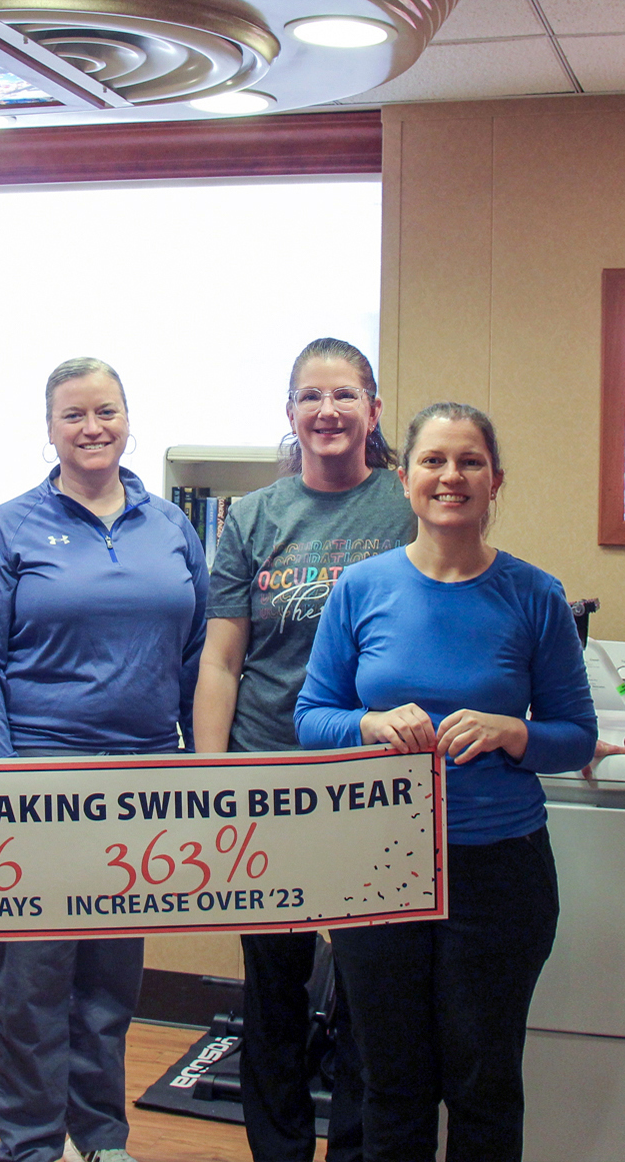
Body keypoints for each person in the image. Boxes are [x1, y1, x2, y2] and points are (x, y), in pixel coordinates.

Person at [294, 403, 604, 1162]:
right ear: (405, 479)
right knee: (390, 1085)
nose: (451, 477)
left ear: (496, 481)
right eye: (433, 461)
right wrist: (365, 726)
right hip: (378, 867)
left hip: (497, 870)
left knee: (483, 1084)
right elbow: (311, 716)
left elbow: (577, 737)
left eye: (469, 462)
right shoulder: (362, 589)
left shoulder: (535, 596)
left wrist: (515, 732)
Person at [0, 357, 209, 1162]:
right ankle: (29, 1147)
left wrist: (201, 770)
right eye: (73, 415)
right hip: (38, 777)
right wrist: (2, 783)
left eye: (105, 411)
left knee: (108, 982)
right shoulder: (12, 527)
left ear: (129, 418)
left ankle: (100, 1140)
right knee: (32, 986)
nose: (91, 427)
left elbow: (199, 657)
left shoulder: (170, 527)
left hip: (142, 781)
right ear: (50, 428)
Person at [192, 338, 414, 1162]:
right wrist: (210, 779)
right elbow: (221, 660)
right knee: (275, 991)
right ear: (290, 413)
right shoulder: (252, 518)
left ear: (373, 409)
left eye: (346, 396)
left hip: (374, 782)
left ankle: (355, 1147)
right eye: (311, 397)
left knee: (368, 993)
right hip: (268, 774)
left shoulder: (406, 502)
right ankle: (278, 1149)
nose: (328, 411)